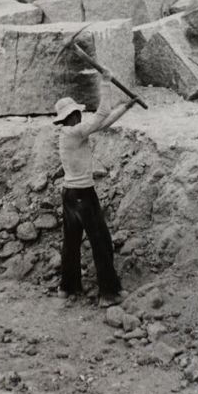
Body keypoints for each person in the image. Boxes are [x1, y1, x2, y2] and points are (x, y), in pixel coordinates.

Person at [53, 90, 135, 307]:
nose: (81, 116)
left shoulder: (69, 133)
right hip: (83, 194)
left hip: (69, 194)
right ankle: (109, 293)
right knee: (101, 241)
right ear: (72, 116)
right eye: (77, 113)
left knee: (71, 242)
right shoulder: (75, 132)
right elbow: (101, 115)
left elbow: (102, 124)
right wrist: (106, 82)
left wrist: (126, 107)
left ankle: (67, 287)